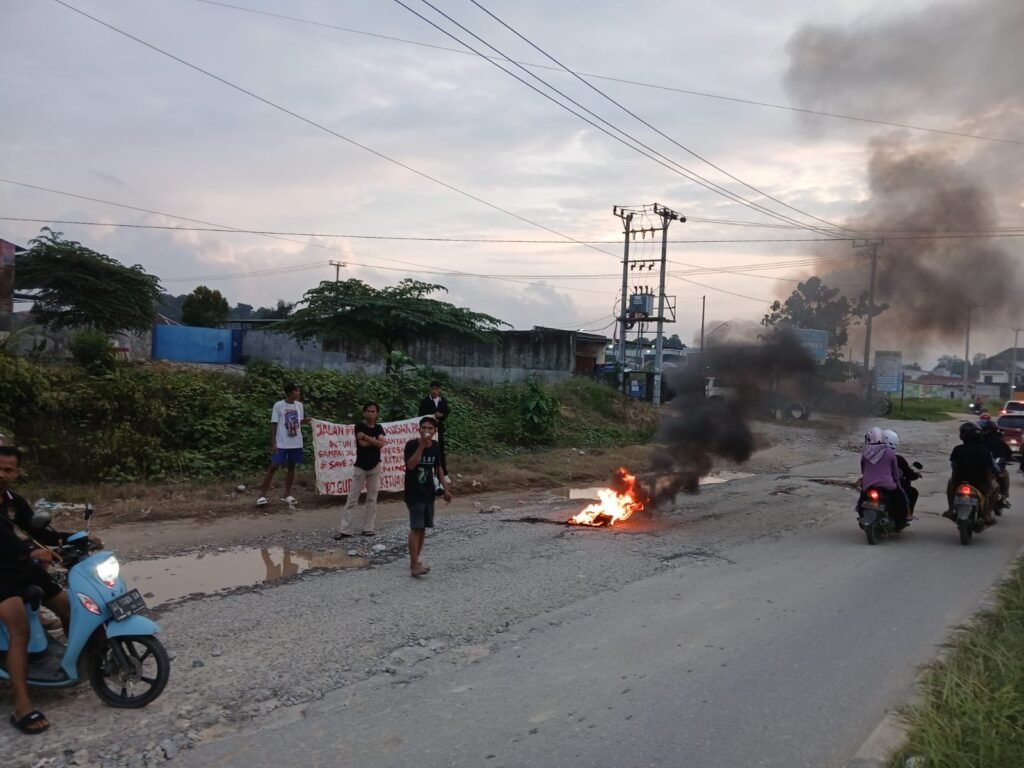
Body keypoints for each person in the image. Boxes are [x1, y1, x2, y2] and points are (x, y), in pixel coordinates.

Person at [0, 445, 74, 735]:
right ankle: (22, 707)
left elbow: (37, 532)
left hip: (20, 565)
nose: (2, 474)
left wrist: (75, 538)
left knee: (69, 607)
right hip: (0, 574)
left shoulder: (12, 501)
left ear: (16, 473)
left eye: (8, 469)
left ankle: (74, 665)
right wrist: (31, 552)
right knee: (20, 629)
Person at [404, 417, 451, 577]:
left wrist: (446, 489)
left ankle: (416, 559)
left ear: (435, 431)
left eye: (430, 428)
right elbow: (410, 465)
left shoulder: (436, 446)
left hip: (428, 493)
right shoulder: (411, 445)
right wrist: (421, 447)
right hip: (414, 492)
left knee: (423, 527)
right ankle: (413, 565)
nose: (427, 431)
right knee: (415, 527)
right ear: (419, 430)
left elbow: (438, 469)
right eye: (424, 427)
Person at [335, 402, 387, 540]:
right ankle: (345, 529)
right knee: (352, 498)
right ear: (364, 413)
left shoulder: (379, 427)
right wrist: (373, 440)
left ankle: (368, 528)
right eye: (368, 411)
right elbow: (363, 444)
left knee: (372, 498)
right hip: (360, 466)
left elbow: (381, 444)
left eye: (373, 411)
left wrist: (366, 437)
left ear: (377, 413)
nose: (371, 413)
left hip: (375, 466)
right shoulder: (359, 426)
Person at [256, 383, 309, 507]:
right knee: (273, 466)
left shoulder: (299, 406)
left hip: (295, 442)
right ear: (290, 393)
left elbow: (298, 421)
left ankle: (287, 494)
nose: (299, 393)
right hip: (282, 442)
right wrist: (273, 443)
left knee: (291, 467)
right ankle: (262, 495)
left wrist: (306, 421)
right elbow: (274, 424)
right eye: (296, 391)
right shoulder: (279, 405)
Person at [946, 421, 997, 523]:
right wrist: (989, 484)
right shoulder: (984, 451)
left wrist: (955, 483)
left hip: (960, 482)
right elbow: (988, 470)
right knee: (995, 488)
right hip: (980, 483)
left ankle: (951, 509)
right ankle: (987, 514)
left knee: (949, 485)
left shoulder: (957, 449)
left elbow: (954, 467)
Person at [860, 427, 908, 529]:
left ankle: (862, 517)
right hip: (887, 485)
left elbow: (863, 469)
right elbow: (894, 470)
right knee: (901, 501)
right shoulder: (889, 452)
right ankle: (900, 524)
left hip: (869, 485)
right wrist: (897, 481)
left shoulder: (865, 452)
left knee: (861, 501)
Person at [882, 429, 920, 521]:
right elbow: (908, 474)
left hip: (873, 484)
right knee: (911, 492)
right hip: (891, 486)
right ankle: (907, 514)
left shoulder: (872, 457)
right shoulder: (897, 459)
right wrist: (916, 475)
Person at [418, 381, 450, 475]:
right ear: (430, 389)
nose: (434, 391)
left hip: (438, 429)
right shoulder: (425, 401)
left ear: (440, 390)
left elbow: (446, 412)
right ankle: (428, 470)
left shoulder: (443, 401)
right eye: (432, 389)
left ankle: (443, 472)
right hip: (427, 430)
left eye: (436, 389)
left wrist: (441, 415)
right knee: (427, 449)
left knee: (440, 449)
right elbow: (420, 415)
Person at [978, 417, 1011, 507]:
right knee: (1004, 475)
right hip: (990, 469)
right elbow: (1008, 454)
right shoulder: (1000, 442)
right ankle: (1004, 496)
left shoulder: (977, 441)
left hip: (977, 470)